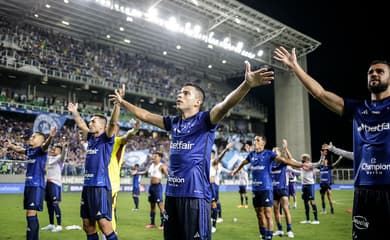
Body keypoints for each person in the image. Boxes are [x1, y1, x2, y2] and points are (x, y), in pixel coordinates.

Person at [110, 62, 275, 240]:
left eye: (185, 93)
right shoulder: (173, 122)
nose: (179, 95)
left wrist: (247, 84)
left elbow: (226, 104)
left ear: (198, 102)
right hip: (172, 195)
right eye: (180, 92)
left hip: (195, 196)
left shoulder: (205, 120)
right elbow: (146, 116)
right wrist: (123, 103)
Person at [274, 48, 390, 239]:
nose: (374, 74)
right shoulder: (358, 109)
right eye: (371, 72)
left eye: (380, 71)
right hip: (364, 192)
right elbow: (320, 93)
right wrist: (295, 66)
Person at [231, 135, 308, 240]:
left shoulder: (268, 154)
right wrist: (235, 170)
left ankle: (269, 236)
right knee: (259, 214)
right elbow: (243, 162)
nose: (255, 142)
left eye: (257, 140)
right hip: (255, 190)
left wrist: (300, 165)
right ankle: (263, 235)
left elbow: (284, 160)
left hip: (266, 189)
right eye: (254, 140)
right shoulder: (251, 155)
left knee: (268, 214)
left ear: (263, 143)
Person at [67, 89, 121, 240]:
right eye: (90, 120)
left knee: (104, 224)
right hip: (88, 186)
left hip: (100, 186)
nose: (90, 123)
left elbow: (113, 123)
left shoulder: (107, 138)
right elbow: (81, 125)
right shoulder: (91, 138)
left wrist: (118, 104)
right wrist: (75, 112)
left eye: (93, 121)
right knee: (87, 224)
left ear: (102, 127)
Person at [5, 127, 56, 240]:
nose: (31, 138)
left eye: (34, 137)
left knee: (30, 214)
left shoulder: (41, 150)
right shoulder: (30, 150)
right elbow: (19, 149)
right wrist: (11, 146)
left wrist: (51, 137)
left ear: (41, 141)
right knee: (31, 214)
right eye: (31, 136)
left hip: (36, 185)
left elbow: (46, 145)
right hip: (29, 185)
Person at [98, 120, 140, 240]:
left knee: (108, 212)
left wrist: (134, 130)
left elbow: (126, 138)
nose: (109, 128)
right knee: (99, 214)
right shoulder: (101, 142)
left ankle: (110, 234)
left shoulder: (116, 141)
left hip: (110, 183)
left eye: (112, 126)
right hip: (98, 182)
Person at [137, 151, 168, 230]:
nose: (154, 157)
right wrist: (137, 172)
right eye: (153, 156)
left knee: (161, 206)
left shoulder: (162, 166)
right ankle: (152, 223)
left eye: (156, 156)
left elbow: (168, 175)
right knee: (152, 206)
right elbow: (145, 172)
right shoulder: (151, 165)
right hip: (151, 187)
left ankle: (163, 224)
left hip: (158, 187)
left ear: (160, 158)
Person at [41, 143, 67, 233]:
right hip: (47, 183)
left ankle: (59, 225)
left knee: (55, 204)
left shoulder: (60, 158)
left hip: (55, 183)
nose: (53, 150)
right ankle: (51, 224)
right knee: (48, 204)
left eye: (55, 149)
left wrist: (64, 148)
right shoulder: (49, 158)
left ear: (59, 151)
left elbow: (63, 156)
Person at [271, 139, 295, 238]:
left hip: (282, 189)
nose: (273, 153)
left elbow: (291, 159)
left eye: (275, 152)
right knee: (276, 211)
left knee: (285, 209)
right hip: (273, 190)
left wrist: (286, 148)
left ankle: (289, 230)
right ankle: (280, 230)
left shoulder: (283, 162)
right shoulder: (270, 164)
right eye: (273, 152)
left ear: (279, 153)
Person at [210, 142, 233, 233]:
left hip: (212, 186)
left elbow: (219, 158)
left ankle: (214, 225)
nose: (210, 155)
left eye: (211, 154)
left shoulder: (214, 162)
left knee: (214, 204)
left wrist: (226, 150)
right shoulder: (204, 161)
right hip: (204, 186)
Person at [318, 147, 343, 214]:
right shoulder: (321, 167)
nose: (324, 161)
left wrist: (339, 158)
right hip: (322, 185)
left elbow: (335, 163)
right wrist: (322, 155)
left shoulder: (328, 167)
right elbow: (320, 161)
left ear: (327, 162)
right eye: (323, 161)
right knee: (322, 198)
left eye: (325, 161)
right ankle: (324, 210)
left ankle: (332, 210)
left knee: (329, 198)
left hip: (327, 185)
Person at [237, 141, 251, 208]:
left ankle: (247, 204)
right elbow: (239, 178)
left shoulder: (245, 172)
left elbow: (246, 179)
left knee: (245, 194)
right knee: (241, 194)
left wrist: (247, 186)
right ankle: (242, 204)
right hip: (240, 184)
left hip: (244, 185)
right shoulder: (239, 172)